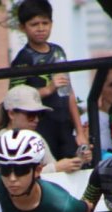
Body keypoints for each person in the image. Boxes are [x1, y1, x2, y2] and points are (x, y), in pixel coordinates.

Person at [9, 0, 87, 160]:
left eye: (45, 23)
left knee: (73, 163)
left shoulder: (58, 52)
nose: (41, 28)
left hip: (64, 124)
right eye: (34, 24)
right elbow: (15, 97)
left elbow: (69, 92)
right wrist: (48, 89)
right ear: (23, 27)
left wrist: (79, 132)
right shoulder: (23, 58)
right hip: (41, 125)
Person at [0, 85, 89, 173]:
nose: (36, 120)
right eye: (31, 115)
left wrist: (78, 161)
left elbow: (54, 167)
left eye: (40, 114)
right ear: (11, 114)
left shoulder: (37, 139)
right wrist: (55, 168)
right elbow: (9, 178)